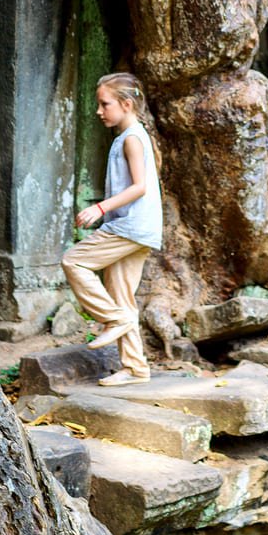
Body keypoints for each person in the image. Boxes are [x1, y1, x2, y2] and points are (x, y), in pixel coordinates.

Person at [61, 72, 163, 387]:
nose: (99, 111)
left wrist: (100, 208)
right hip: (140, 229)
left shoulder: (132, 137)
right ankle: (135, 368)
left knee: (74, 261)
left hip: (129, 227)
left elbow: (140, 187)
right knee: (122, 295)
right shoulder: (131, 135)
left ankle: (114, 319)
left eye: (105, 104)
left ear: (126, 104)